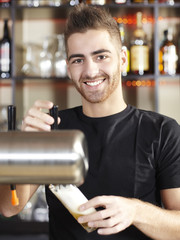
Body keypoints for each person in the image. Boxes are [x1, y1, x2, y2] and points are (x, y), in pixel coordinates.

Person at [0, 3, 180, 240]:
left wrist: (135, 211)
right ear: (68, 67)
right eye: (78, 60)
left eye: (101, 56)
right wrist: (23, 146)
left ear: (123, 58)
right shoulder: (54, 129)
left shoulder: (162, 131)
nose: (90, 70)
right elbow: (10, 207)